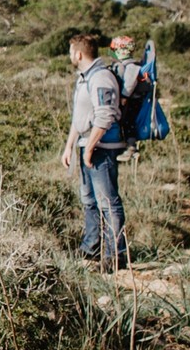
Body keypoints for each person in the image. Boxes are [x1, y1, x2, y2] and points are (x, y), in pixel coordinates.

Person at [62, 33, 128, 269]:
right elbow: (79, 117)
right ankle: (91, 248)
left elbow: (106, 115)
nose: (70, 55)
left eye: (71, 51)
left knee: (108, 202)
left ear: (78, 53)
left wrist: (89, 148)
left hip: (101, 148)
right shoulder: (84, 78)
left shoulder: (101, 77)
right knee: (89, 200)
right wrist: (70, 146)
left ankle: (114, 256)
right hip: (86, 146)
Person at [110, 34, 144, 151]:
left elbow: (130, 82)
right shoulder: (126, 64)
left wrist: (124, 96)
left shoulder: (131, 65)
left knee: (128, 122)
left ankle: (130, 145)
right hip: (127, 99)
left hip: (130, 100)